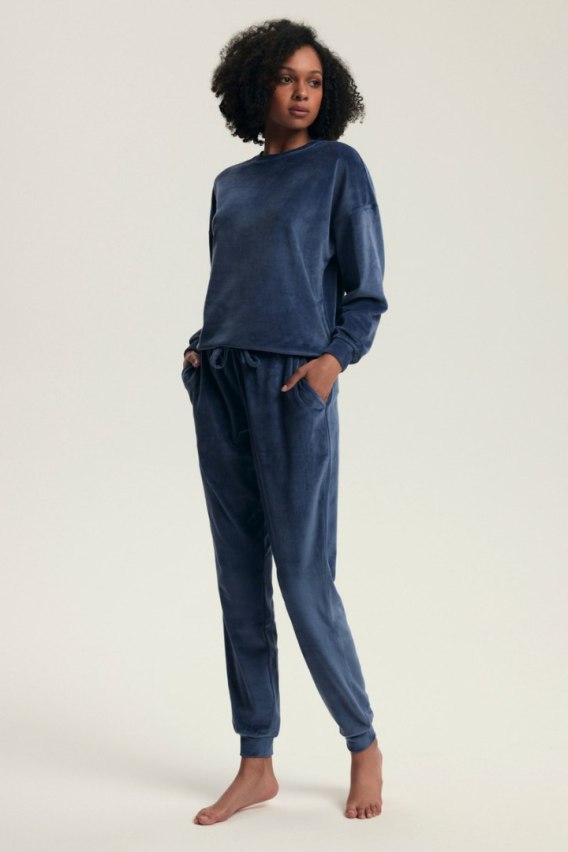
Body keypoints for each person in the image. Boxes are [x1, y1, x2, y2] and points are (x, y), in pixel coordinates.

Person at [181, 18, 388, 824]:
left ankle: (362, 744)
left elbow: (365, 294)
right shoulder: (230, 184)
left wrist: (332, 362)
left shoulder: (338, 168)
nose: (303, 92)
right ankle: (256, 761)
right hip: (222, 384)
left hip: (294, 386)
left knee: (303, 580)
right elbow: (233, 280)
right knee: (239, 583)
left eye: (314, 81)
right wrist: (201, 350)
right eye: (287, 78)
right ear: (256, 85)